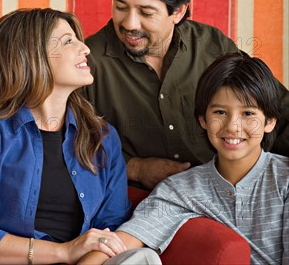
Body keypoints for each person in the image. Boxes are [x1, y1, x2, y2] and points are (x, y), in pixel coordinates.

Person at [0, 8, 155, 265]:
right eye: (69, 41)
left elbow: (111, 230)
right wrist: (64, 251)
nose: (85, 48)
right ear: (31, 57)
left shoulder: (102, 137)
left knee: (142, 259)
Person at [84, 0, 289, 189]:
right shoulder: (87, 60)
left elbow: (276, 109)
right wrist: (136, 168)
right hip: (138, 200)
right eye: (120, 7)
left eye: (146, 13)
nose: (129, 24)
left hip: (224, 191)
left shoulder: (211, 44)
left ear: (178, 11)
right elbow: (60, 145)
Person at [79, 54, 289, 265]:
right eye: (220, 112)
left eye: (248, 114)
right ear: (203, 120)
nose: (233, 126)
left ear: (270, 121)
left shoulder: (285, 180)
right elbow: (123, 242)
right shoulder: (181, 189)